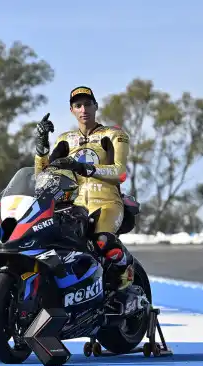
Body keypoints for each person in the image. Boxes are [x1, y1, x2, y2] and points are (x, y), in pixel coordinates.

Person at [33, 85, 134, 292]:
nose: (83, 109)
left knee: (102, 241)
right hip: (73, 207)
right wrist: (41, 145)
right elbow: (41, 175)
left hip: (107, 204)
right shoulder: (65, 140)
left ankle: (126, 268)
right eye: (78, 105)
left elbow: (120, 172)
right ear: (72, 110)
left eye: (87, 104)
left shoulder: (113, 135)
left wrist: (83, 167)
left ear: (96, 106)